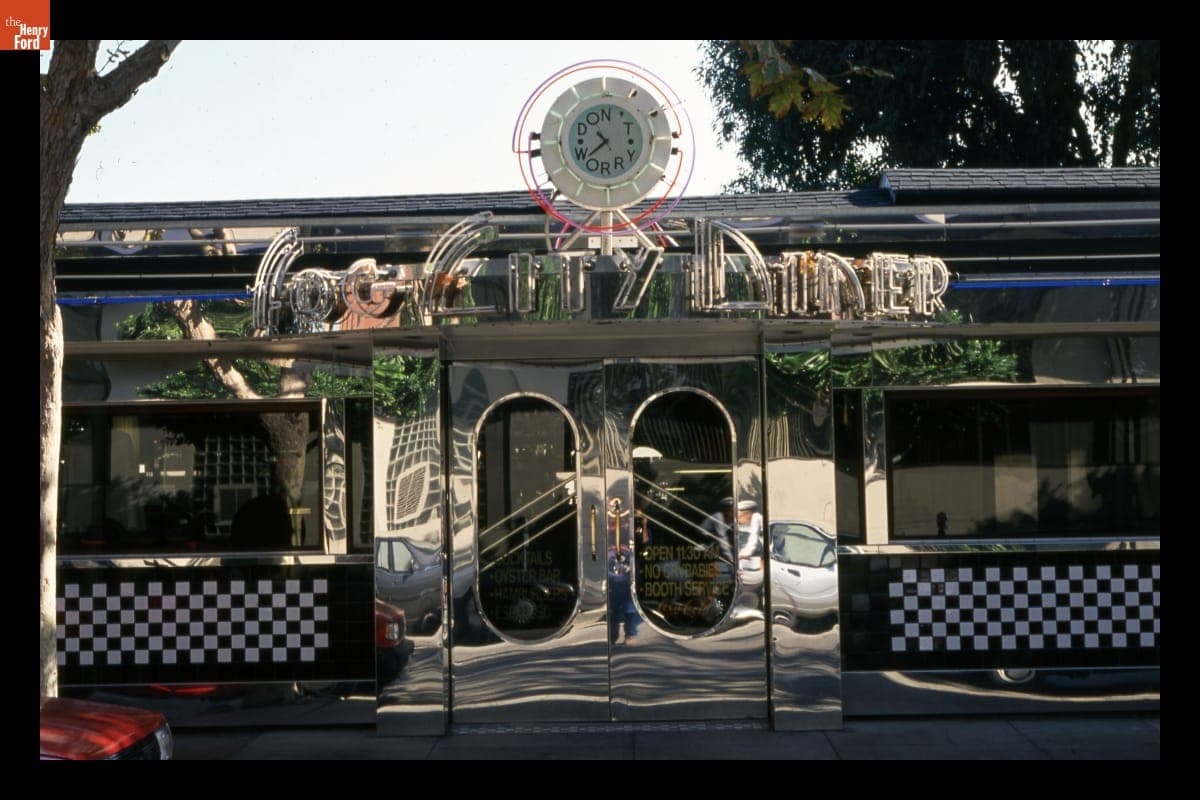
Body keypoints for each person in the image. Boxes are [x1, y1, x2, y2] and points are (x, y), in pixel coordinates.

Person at [607, 498, 641, 644]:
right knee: (613, 607)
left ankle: (630, 633)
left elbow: (643, 540)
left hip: (628, 569)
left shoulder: (632, 523)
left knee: (630, 607)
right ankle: (613, 635)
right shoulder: (607, 522)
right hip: (611, 570)